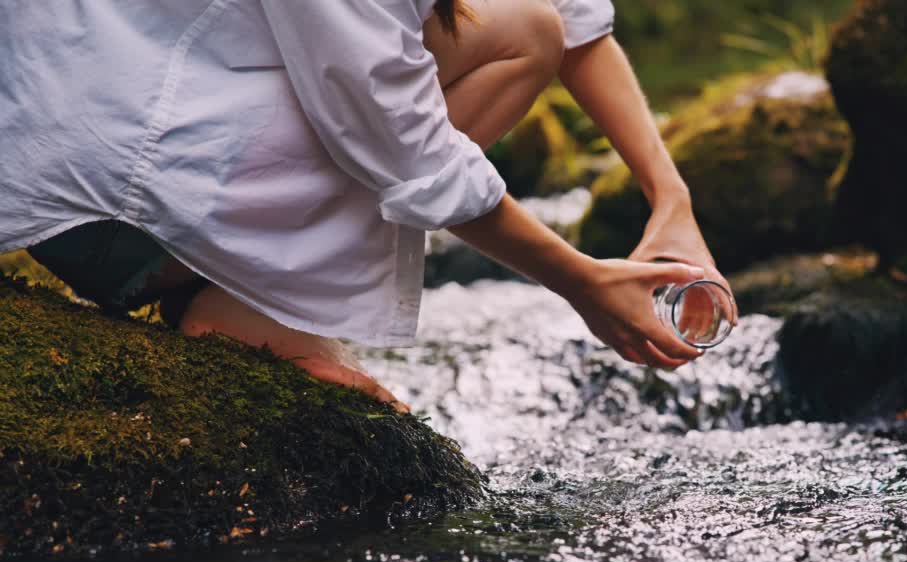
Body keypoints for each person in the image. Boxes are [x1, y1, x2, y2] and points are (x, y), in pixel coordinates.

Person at [0, 0, 736, 411]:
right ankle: (238, 303)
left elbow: (572, 20)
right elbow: (402, 148)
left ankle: (229, 285)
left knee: (524, 26)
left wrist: (673, 200)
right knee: (515, 39)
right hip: (108, 196)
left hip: (137, 129)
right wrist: (583, 282)